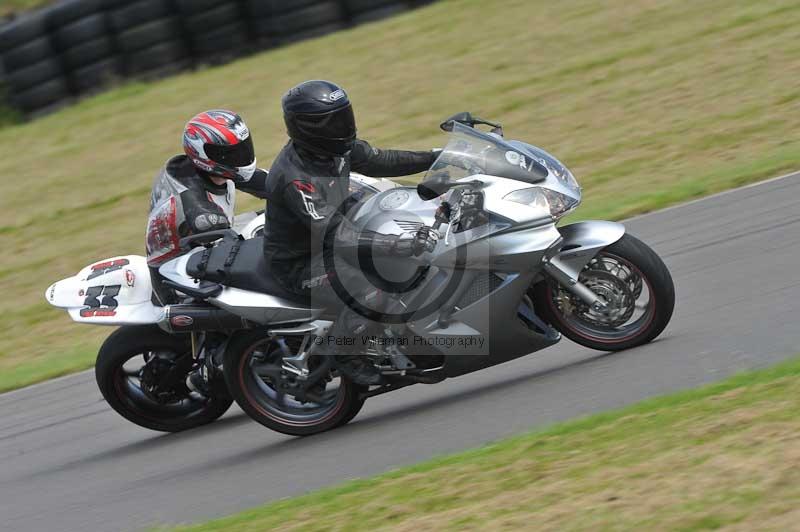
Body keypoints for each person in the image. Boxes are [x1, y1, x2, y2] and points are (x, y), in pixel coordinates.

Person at [262, 80, 440, 385]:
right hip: (301, 261)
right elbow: (336, 236)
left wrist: (436, 157)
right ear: (308, 127)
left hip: (333, 237)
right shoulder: (296, 178)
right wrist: (395, 245)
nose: (343, 126)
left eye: (343, 116)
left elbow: (379, 159)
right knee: (371, 284)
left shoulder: (333, 149)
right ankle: (347, 353)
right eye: (332, 121)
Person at [146, 109, 269, 304]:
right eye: (230, 154)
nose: (240, 157)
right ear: (204, 155)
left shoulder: (211, 170)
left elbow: (272, 184)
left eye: (243, 149)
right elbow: (225, 241)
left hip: (205, 247)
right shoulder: (197, 209)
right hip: (180, 283)